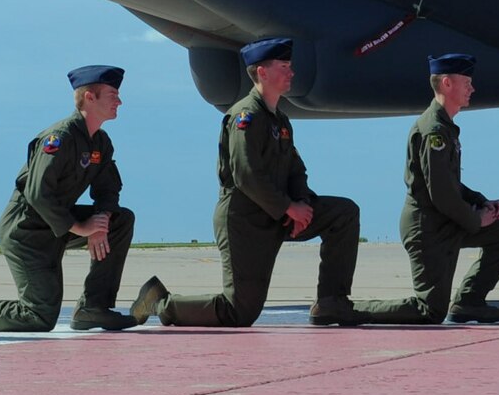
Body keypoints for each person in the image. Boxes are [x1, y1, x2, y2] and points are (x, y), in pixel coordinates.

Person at [154, 38, 424, 327]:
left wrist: (302, 206)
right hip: (245, 221)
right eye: (284, 67)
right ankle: (163, 304)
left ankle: (331, 303)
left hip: (278, 214)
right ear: (262, 73)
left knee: (343, 213)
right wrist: (287, 208)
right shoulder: (245, 116)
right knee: (240, 312)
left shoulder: (280, 120)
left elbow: (296, 170)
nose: (291, 73)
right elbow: (246, 174)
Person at [0, 65, 165, 332]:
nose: (119, 101)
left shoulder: (100, 143)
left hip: (55, 225)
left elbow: (108, 189)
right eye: (112, 95)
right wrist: (81, 228)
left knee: (119, 220)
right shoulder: (58, 138)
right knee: (38, 317)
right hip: (26, 231)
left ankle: (94, 308)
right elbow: (37, 194)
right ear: (90, 97)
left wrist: (100, 222)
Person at [399, 53, 499, 323]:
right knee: (429, 311)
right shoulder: (433, 130)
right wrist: (475, 219)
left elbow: (449, 184)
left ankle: (470, 301)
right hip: (429, 227)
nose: (473, 89)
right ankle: (347, 309)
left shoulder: (445, 127)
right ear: (447, 83)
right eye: (466, 82)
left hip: (446, 220)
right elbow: (441, 194)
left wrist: (481, 202)